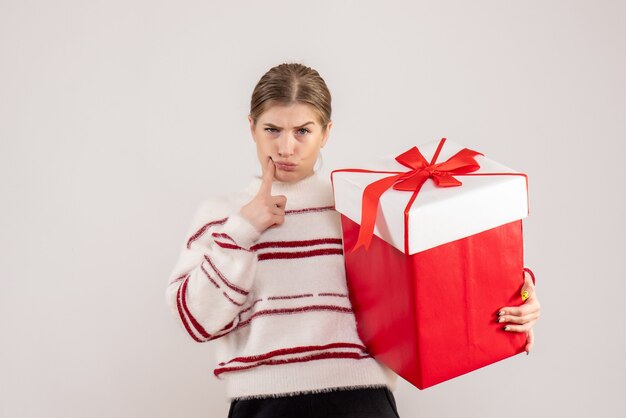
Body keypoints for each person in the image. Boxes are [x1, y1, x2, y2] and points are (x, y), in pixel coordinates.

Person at [165, 63, 541, 418]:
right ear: (251, 126)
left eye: (303, 131)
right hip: (262, 405)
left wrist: (515, 295)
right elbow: (196, 321)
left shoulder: (361, 205)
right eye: (272, 129)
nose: (286, 148)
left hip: (360, 401)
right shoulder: (222, 216)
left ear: (326, 131)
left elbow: (435, 277)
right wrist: (243, 230)